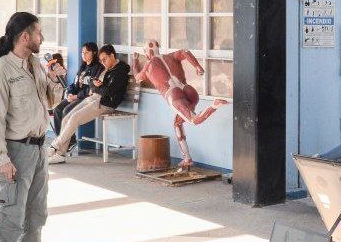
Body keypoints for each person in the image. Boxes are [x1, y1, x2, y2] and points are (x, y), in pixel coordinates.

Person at [0, 12, 67, 242]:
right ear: (25, 37)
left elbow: (52, 102)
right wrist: (1, 159)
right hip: (15, 152)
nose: (42, 38)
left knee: (36, 214)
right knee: (10, 217)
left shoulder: (35, 65)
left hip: (40, 148)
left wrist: (56, 80)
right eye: (39, 33)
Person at [133, 40, 228, 171]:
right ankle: (187, 158)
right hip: (189, 91)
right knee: (178, 123)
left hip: (174, 95)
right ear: (158, 48)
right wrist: (198, 67)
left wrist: (135, 62)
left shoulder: (148, 66)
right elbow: (185, 52)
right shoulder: (171, 56)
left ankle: (214, 106)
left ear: (147, 53)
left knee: (194, 120)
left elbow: (137, 78)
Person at [47, 45, 129, 164]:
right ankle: (60, 155)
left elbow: (107, 92)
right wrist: (95, 86)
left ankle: (54, 146)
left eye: (105, 59)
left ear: (112, 55)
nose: (103, 63)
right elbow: (92, 83)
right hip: (94, 98)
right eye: (101, 60)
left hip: (104, 104)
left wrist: (96, 87)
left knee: (74, 118)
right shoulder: (107, 69)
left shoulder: (120, 72)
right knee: (67, 117)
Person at [54, 42, 102, 138]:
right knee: (58, 109)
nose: (84, 54)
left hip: (85, 98)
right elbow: (75, 83)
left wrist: (76, 96)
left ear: (94, 53)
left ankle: (68, 141)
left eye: (87, 52)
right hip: (75, 97)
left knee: (66, 111)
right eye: (82, 52)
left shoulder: (98, 68)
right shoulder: (83, 67)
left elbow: (91, 89)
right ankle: (61, 139)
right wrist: (70, 93)